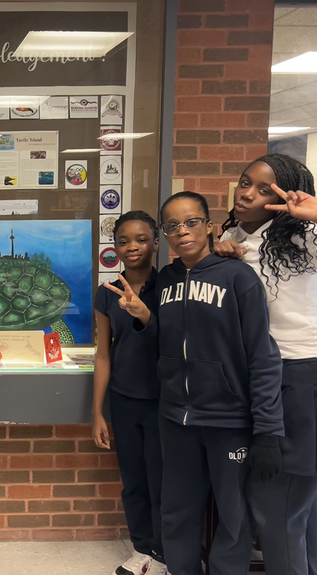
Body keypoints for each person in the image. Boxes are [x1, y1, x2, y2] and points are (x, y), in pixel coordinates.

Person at [106, 191, 284, 575]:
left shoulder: (237, 276)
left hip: (228, 419)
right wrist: (144, 317)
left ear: (209, 226)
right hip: (175, 419)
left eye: (190, 222)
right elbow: (165, 343)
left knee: (233, 517)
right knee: (176, 512)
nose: (181, 231)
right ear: (164, 235)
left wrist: (268, 427)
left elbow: (262, 354)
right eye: (172, 225)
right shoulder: (166, 280)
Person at [215, 154, 317, 575]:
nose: (247, 192)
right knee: (296, 513)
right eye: (244, 182)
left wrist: (314, 217)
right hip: (265, 377)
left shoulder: (301, 239)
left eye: (263, 189)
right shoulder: (235, 237)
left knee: (278, 509)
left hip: (299, 376)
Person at [92, 211, 166, 575]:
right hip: (124, 399)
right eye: (123, 241)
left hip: (165, 401)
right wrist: (97, 412)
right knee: (134, 481)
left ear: (155, 241)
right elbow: (103, 353)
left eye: (140, 239)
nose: (132, 246)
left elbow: (177, 340)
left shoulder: (170, 285)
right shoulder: (107, 292)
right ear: (115, 247)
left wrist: (145, 314)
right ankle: (142, 552)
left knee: (162, 480)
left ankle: (165, 553)